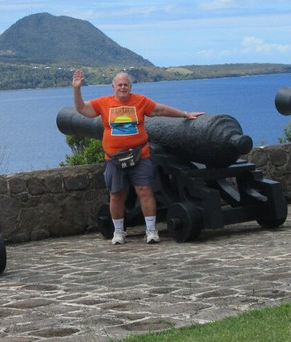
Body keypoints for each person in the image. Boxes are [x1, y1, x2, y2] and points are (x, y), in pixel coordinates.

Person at [71, 69, 203, 244]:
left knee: (145, 191)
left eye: (126, 84)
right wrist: (77, 89)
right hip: (114, 158)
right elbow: (81, 108)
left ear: (130, 87)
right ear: (113, 87)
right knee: (116, 194)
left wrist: (185, 114)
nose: (123, 87)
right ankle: (118, 232)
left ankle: (151, 230)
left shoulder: (140, 101)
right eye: (120, 85)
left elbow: (159, 109)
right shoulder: (104, 103)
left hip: (140, 154)